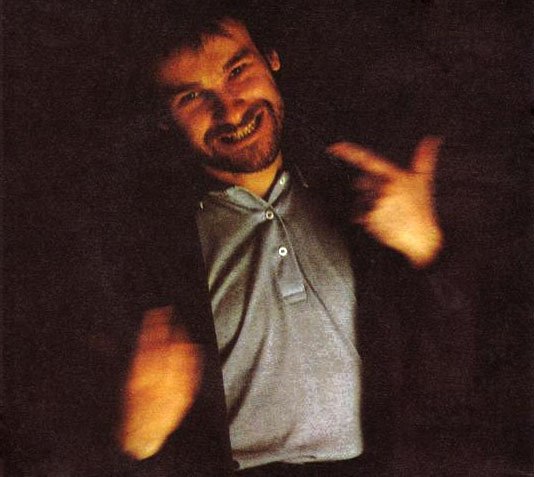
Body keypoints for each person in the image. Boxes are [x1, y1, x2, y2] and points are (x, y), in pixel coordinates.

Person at [113, 6, 477, 476]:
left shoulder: (367, 190)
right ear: (164, 119)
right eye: (193, 97)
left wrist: (429, 250)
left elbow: (466, 371)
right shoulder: (141, 244)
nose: (231, 109)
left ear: (272, 60)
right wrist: (137, 443)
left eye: (237, 71)